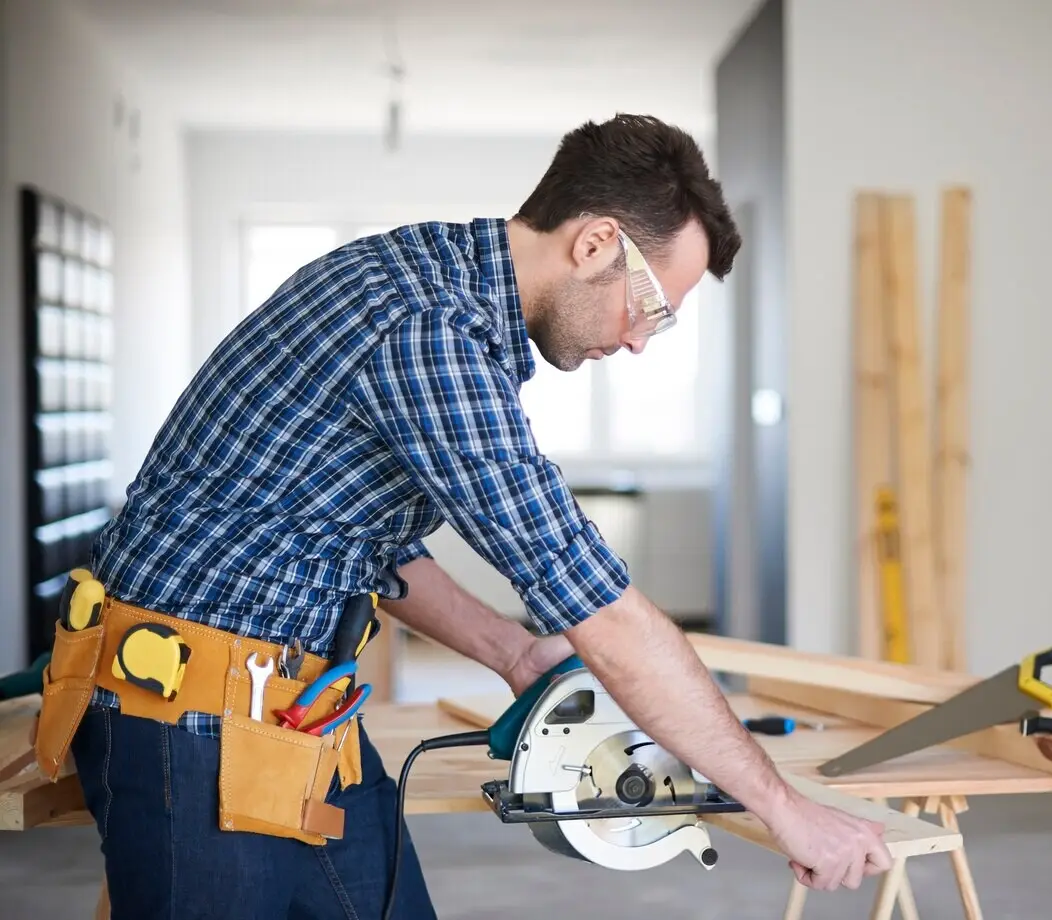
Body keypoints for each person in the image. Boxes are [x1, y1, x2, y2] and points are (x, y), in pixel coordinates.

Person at [54, 113, 893, 918]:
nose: (641, 341)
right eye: (652, 308)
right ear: (596, 242)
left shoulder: (436, 284)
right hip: (189, 722)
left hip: (291, 710)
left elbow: (368, 543)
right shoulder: (431, 332)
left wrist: (515, 653)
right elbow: (596, 603)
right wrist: (787, 811)